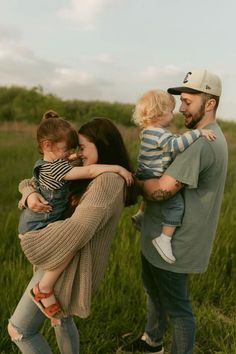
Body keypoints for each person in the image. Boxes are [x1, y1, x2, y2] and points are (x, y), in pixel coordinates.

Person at [8, 117, 137, 354]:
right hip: (59, 260)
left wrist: (33, 240)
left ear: (102, 145)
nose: (78, 153)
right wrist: (29, 195)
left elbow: (77, 230)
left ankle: (43, 289)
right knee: (61, 320)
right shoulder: (90, 174)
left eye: (83, 147)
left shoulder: (108, 180)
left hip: (64, 264)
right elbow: (33, 179)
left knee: (19, 329)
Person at [121, 69, 228, 354]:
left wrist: (136, 179)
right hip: (156, 235)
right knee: (154, 293)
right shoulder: (204, 136)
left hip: (175, 243)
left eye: (188, 101)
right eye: (180, 101)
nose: (181, 108)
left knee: (179, 310)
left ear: (210, 103)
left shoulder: (201, 144)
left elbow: (162, 190)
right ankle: (152, 341)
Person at [131, 89, 216, 264]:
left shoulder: (148, 131)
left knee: (148, 198)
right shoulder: (158, 133)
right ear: (159, 113)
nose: (174, 113)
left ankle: (140, 215)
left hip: (144, 171)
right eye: (170, 111)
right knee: (176, 206)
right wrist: (197, 133)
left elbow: (169, 141)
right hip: (152, 173)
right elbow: (175, 145)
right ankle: (164, 239)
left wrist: (183, 135)